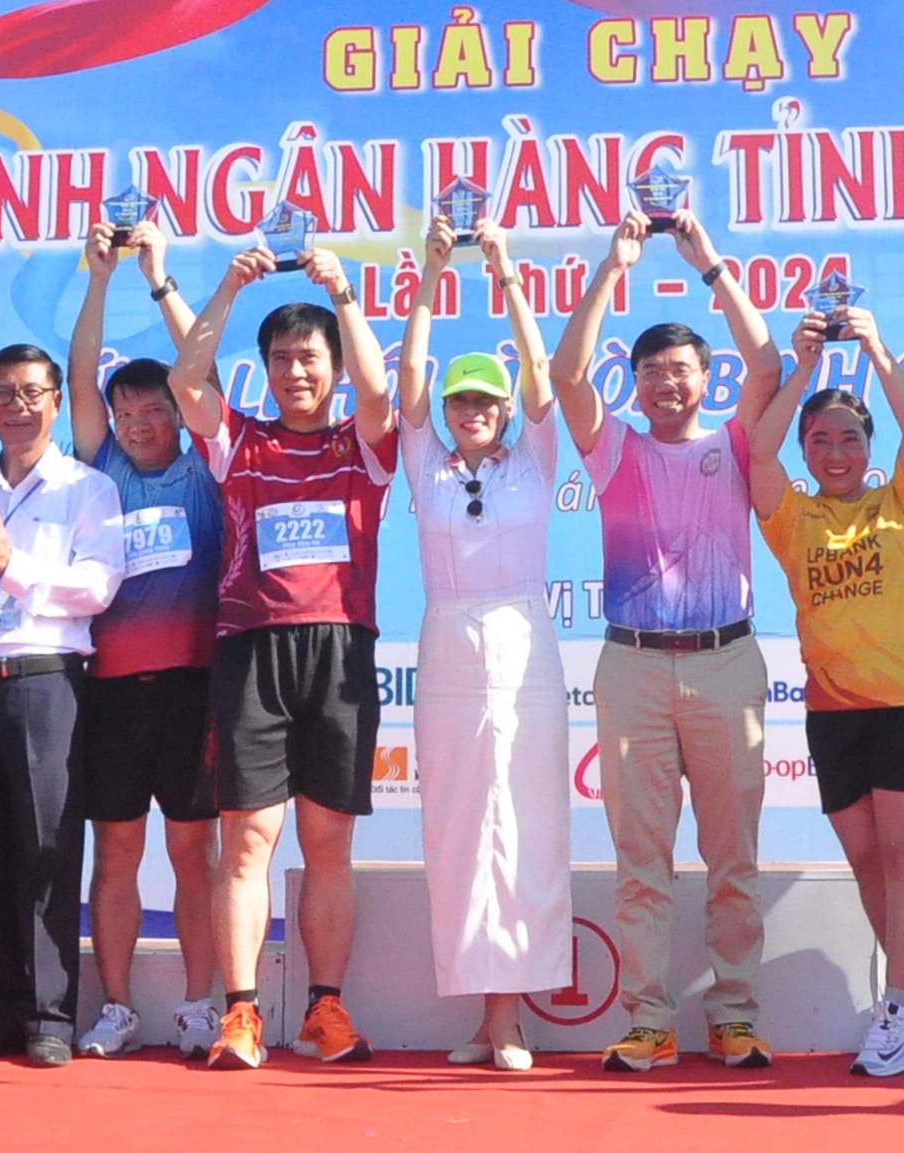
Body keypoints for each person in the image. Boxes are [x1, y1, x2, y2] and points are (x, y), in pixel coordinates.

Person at [551, 208, 781, 1073]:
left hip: (727, 661)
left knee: (733, 856)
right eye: (651, 373)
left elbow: (768, 362)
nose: (666, 385)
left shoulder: (736, 439)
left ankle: (735, 1015)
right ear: (637, 384)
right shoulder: (613, 450)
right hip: (634, 666)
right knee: (641, 859)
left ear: (704, 376)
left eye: (681, 370)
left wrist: (706, 257)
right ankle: (647, 1017)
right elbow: (570, 373)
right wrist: (614, 267)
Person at [170, 236, 398, 1070]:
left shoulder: (364, 443)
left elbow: (380, 390)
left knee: (327, 842)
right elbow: (185, 383)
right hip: (251, 653)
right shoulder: (241, 442)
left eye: (308, 357)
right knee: (248, 841)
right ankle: (240, 1014)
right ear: (263, 369)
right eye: (279, 359)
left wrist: (342, 294)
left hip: (339, 650)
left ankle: (324, 1010)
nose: (294, 370)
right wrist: (229, 284)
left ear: (331, 365)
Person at [747, 303, 904, 1078]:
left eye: (849, 437)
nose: (835, 451)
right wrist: (803, 365)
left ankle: (898, 1006)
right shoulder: (792, 515)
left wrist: (874, 344)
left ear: (869, 448)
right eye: (821, 439)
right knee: (869, 862)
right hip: (833, 710)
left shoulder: (901, 501)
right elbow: (758, 448)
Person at [397, 216, 570, 1072]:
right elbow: (407, 379)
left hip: (524, 641)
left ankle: (512, 1016)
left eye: (484, 401)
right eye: (461, 400)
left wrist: (505, 274)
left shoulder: (534, 457)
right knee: (461, 827)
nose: (471, 412)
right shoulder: (425, 462)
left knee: (527, 821)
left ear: (502, 411)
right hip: (449, 643)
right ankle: (480, 1014)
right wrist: (430, 278)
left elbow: (541, 378)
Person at [65, 220, 225, 1060]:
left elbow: (194, 366)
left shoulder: (205, 467)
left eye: (150, 408)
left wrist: (159, 279)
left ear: (177, 411)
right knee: (117, 847)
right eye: (123, 411)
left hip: (194, 686)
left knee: (192, 849)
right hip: (113, 691)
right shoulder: (104, 473)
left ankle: (202, 1004)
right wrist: (98, 278)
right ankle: (119, 1005)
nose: (133, 422)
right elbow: (77, 380)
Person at [0, 342, 122, 1065]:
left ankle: (52, 1014)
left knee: (47, 848)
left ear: (56, 399)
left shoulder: (86, 487)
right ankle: (5, 1008)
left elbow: (96, 586)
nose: (16, 407)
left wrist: (8, 565)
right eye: (3, 395)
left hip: (46, 680)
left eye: (30, 392)